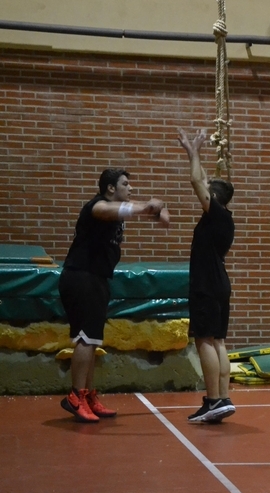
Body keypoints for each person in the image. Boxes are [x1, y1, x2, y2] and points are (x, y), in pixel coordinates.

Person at [59, 168, 170, 423]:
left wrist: (158, 209)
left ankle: (87, 396)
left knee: (92, 339)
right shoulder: (97, 206)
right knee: (85, 338)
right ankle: (75, 396)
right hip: (81, 277)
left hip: (97, 278)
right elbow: (107, 210)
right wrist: (147, 208)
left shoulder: (117, 209)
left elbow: (155, 211)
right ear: (111, 188)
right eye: (125, 184)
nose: (130, 188)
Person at [178, 129, 237, 423]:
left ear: (212, 197)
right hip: (220, 284)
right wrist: (193, 152)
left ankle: (213, 400)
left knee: (204, 340)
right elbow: (201, 179)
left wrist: (197, 152)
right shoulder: (224, 217)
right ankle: (222, 398)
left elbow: (195, 180)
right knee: (218, 342)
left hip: (207, 285)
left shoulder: (215, 214)